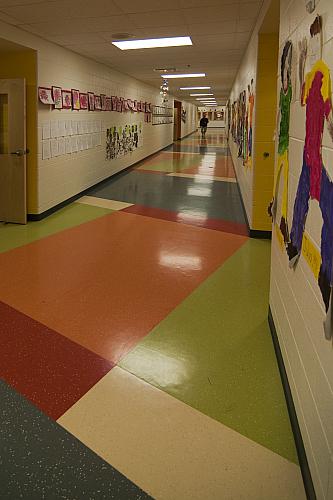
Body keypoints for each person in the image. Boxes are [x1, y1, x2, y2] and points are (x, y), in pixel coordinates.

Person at [286, 16, 333, 337]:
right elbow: (304, 99)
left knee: (325, 215)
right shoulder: (317, 76)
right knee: (304, 207)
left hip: (312, 159)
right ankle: (295, 246)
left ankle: (324, 277)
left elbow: (323, 111)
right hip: (309, 157)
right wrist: (301, 59)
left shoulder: (324, 78)